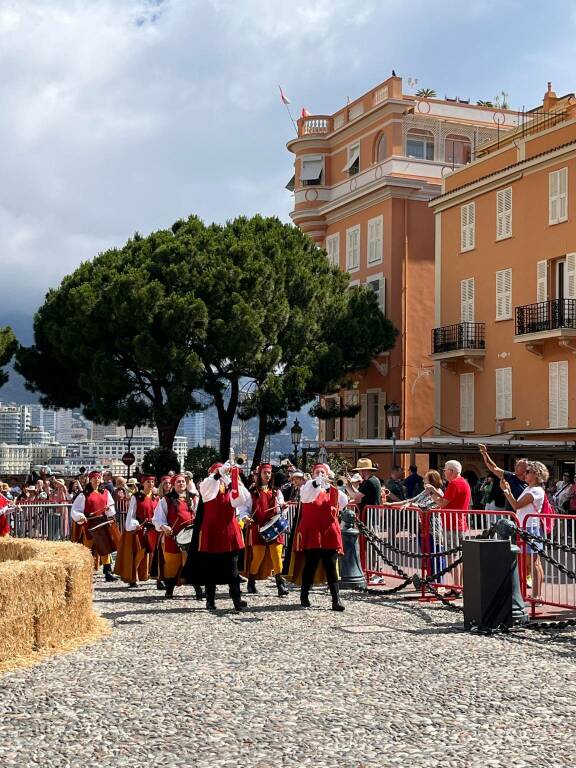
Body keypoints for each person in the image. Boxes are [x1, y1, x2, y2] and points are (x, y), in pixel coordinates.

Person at [288, 463, 348, 612]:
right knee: (311, 564)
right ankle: (304, 594)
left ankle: (336, 599)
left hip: (329, 532)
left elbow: (343, 503)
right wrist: (317, 483)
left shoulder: (332, 491)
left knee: (331, 566)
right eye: (317, 472)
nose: (320, 474)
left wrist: (332, 485)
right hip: (312, 532)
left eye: (323, 472)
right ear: (313, 474)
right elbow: (306, 497)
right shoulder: (307, 487)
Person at [193, 461, 250, 611]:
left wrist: (235, 481)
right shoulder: (208, 486)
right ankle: (210, 600)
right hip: (212, 530)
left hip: (229, 530)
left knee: (233, 568)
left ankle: (237, 599)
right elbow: (207, 487)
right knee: (211, 568)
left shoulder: (230, 486)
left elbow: (242, 499)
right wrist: (218, 474)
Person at [500, 461, 548, 601]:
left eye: (528, 472)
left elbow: (516, 505)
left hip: (530, 527)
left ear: (535, 474)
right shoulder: (529, 488)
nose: (524, 474)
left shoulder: (535, 491)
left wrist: (506, 491)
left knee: (533, 563)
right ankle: (534, 594)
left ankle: (536, 595)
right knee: (531, 563)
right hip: (525, 526)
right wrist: (507, 490)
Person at [425, 460, 471, 598]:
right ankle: (458, 586)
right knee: (458, 558)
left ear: (451, 471)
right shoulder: (463, 482)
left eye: (445, 470)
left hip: (452, 525)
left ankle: (456, 588)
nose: (444, 473)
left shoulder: (454, 484)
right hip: (459, 523)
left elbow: (442, 503)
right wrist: (434, 491)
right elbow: (447, 499)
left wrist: (431, 493)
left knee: (452, 558)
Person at [152, 473, 202, 599]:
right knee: (171, 565)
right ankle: (169, 590)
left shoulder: (193, 498)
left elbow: (200, 515)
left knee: (192, 564)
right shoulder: (166, 499)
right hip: (172, 537)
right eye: (178, 482)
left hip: (189, 537)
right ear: (174, 485)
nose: (181, 484)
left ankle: (198, 591)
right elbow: (157, 518)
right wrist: (164, 527)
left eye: (183, 482)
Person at [244, 463, 289, 597]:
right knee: (258, 556)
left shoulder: (276, 491)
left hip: (274, 527)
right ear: (259, 474)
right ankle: (251, 581)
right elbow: (245, 508)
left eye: (269, 473)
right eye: (265, 473)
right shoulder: (252, 491)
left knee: (277, 555)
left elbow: (282, 507)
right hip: (258, 527)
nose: (267, 475)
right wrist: (246, 517)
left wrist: (284, 507)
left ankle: (280, 584)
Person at [71, 470, 118, 582]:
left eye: (98, 478)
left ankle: (107, 571)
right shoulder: (84, 495)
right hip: (89, 524)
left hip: (102, 522)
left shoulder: (105, 492)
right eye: (94, 478)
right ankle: (85, 572)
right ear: (90, 480)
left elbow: (111, 508)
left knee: (105, 547)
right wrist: (80, 516)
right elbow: (75, 509)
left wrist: (109, 510)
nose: (97, 480)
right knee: (87, 548)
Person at [114, 475, 159, 587]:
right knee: (138, 554)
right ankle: (132, 578)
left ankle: (148, 576)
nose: (150, 484)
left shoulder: (156, 498)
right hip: (138, 529)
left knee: (150, 554)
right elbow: (131, 513)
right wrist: (134, 524)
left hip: (151, 529)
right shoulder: (137, 497)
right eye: (148, 482)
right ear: (143, 484)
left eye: (152, 482)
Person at [479, 445, 528, 511]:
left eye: (519, 465)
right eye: (516, 465)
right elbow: (494, 468)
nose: (516, 467)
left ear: (526, 469)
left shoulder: (530, 483)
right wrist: (485, 454)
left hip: (524, 516)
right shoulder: (511, 476)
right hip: (510, 516)